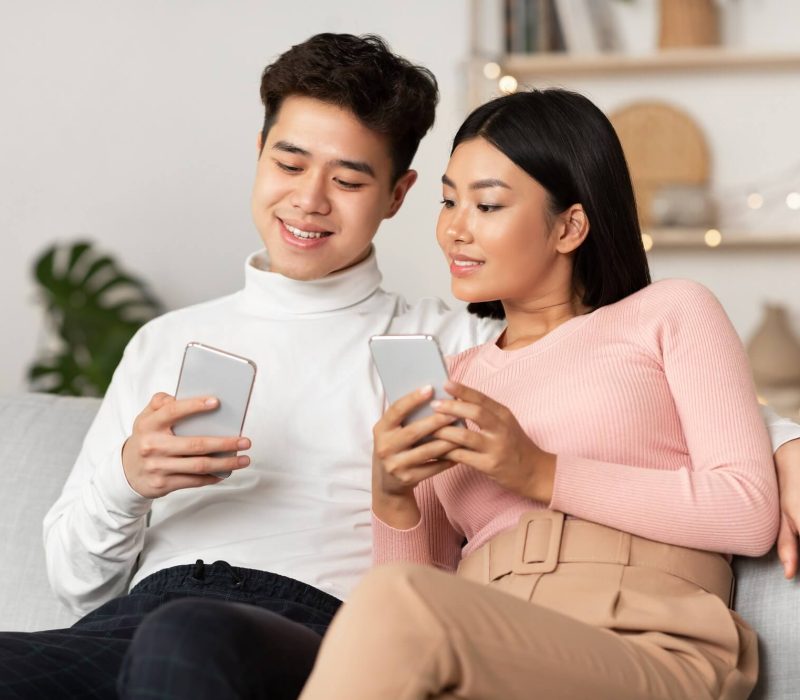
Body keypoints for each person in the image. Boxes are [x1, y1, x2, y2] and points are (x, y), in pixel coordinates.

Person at [0, 32, 797, 700]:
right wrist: (127, 481)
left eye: (348, 179)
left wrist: (787, 445)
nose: (310, 201)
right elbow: (78, 584)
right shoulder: (168, 342)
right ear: (259, 153)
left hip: (318, 625)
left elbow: (637, 395)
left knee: (203, 638)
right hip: (161, 611)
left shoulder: (439, 346)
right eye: (289, 163)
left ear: (393, 194)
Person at [297, 88, 790, 700]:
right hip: (490, 653)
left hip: (647, 643)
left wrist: (541, 472)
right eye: (449, 200)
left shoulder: (670, 313)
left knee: (398, 604)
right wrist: (394, 498)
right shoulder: (452, 377)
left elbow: (745, 512)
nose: (455, 228)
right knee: (391, 605)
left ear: (570, 226)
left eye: (487, 205)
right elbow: (409, 604)